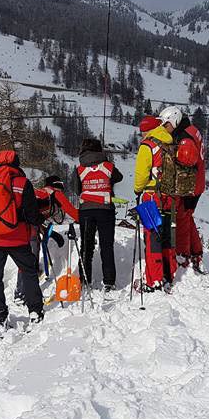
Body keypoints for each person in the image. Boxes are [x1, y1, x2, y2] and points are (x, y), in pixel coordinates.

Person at [0, 149, 44, 334]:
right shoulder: (22, 183)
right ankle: (34, 311)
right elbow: (32, 214)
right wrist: (39, 222)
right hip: (18, 238)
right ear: (17, 163)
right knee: (29, 272)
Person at [133, 115, 177, 291]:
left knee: (152, 239)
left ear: (145, 130)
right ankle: (169, 273)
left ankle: (154, 280)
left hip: (152, 197)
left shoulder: (148, 145)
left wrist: (137, 190)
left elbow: (141, 175)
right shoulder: (169, 143)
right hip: (169, 197)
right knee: (167, 237)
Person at [77, 137, 123, 291]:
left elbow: (78, 190)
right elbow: (119, 177)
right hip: (105, 209)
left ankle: (84, 280)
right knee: (106, 246)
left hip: (86, 211)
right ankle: (109, 282)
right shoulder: (108, 166)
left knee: (86, 246)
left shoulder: (79, 169)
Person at [170, 110, 206, 271]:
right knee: (187, 216)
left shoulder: (185, 137)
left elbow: (185, 161)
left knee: (182, 219)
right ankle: (196, 252)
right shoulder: (193, 130)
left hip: (190, 185)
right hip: (198, 182)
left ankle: (183, 255)